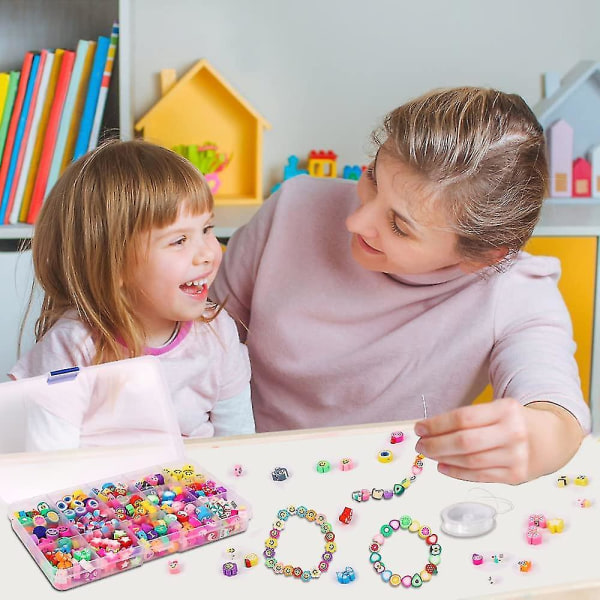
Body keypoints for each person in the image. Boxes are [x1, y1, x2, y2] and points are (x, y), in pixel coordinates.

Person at [212, 87, 591, 484]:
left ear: (483, 256)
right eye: (373, 177)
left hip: (387, 494)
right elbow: (207, 339)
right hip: (244, 471)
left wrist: (543, 437)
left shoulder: (513, 291)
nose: (355, 223)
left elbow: (556, 407)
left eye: (399, 226)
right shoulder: (292, 207)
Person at [11, 139, 255, 449]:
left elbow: (239, 442)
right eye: (179, 240)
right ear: (114, 264)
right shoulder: (74, 345)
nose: (207, 253)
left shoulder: (217, 332)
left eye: (207, 229)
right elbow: (51, 461)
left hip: (195, 489)